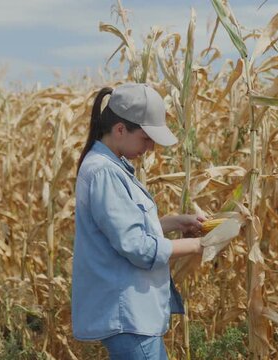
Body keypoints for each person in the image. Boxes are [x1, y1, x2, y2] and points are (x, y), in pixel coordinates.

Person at [72, 83, 204, 360]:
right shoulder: (104, 172)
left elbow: (123, 229)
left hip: (131, 315)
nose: (151, 147)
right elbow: (138, 247)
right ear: (120, 129)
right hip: (128, 315)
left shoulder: (110, 166)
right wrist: (199, 245)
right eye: (146, 138)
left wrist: (177, 223)